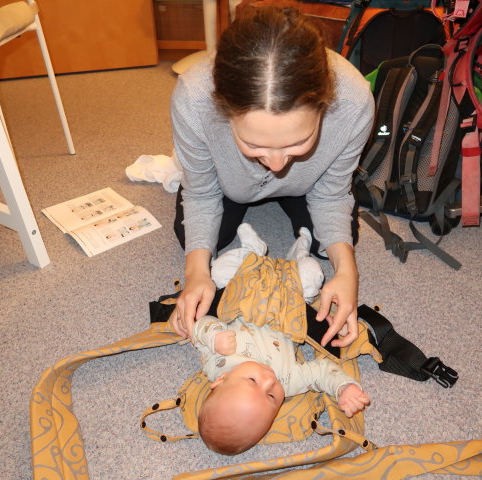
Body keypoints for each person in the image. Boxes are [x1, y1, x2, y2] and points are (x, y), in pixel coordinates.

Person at [170, 7, 375, 349]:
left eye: (298, 142)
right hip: (226, 185)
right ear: (223, 111)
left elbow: (333, 193)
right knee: (202, 243)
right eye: (254, 144)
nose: (278, 164)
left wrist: (348, 272)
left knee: (334, 248)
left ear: (325, 105)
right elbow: (202, 194)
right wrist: (195, 275)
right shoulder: (194, 97)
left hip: (311, 186)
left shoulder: (353, 102)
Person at [193, 314, 371, 455]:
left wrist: (214, 337)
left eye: (252, 381)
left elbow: (199, 326)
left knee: (222, 271)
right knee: (311, 274)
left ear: (221, 380)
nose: (270, 380)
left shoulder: (217, 364)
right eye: (271, 396)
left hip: (245, 291)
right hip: (287, 305)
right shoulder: (288, 382)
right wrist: (344, 388)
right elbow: (321, 372)